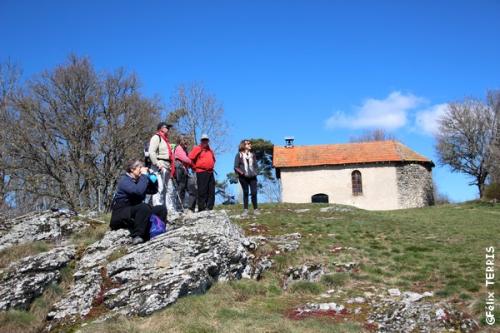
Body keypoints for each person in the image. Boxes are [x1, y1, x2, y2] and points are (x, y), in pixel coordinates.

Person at [110, 159, 167, 245]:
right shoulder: (124, 180)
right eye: (139, 167)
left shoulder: (139, 180)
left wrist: (152, 177)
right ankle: (137, 236)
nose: (142, 169)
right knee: (143, 207)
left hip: (135, 210)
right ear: (132, 169)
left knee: (161, 209)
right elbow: (138, 191)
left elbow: (153, 191)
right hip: (121, 213)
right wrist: (144, 176)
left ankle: (156, 231)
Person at [148, 122, 176, 207]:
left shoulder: (165, 140)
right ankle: (157, 208)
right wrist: (156, 163)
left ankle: (169, 209)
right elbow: (151, 152)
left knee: (169, 189)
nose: (168, 129)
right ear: (161, 128)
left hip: (167, 166)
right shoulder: (156, 137)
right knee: (159, 187)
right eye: (167, 127)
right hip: (159, 165)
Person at [188, 134, 216, 211]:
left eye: (206, 140)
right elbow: (190, 158)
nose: (205, 141)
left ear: (208, 141)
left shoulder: (210, 150)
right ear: (201, 141)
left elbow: (213, 159)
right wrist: (194, 167)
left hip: (210, 172)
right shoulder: (197, 148)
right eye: (203, 140)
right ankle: (201, 207)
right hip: (201, 171)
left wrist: (211, 165)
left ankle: (209, 207)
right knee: (202, 190)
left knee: (211, 190)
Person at [234, 139, 260, 216]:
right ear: (243, 146)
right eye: (248, 144)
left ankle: (255, 209)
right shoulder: (239, 155)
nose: (250, 145)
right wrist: (242, 173)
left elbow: (256, 165)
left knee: (254, 193)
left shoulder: (253, 155)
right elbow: (236, 167)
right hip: (243, 177)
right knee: (245, 192)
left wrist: (255, 172)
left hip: (252, 177)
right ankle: (245, 210)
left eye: (250, 143)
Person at [173, 135, 193, 209]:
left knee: (185, 187)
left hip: (184, 169)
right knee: (181, 187)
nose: (186, 143)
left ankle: (184, 205)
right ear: (181, 141)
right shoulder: (179, 148)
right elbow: (185, 159)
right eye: (185, 141)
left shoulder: (184, 150)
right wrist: (192, 162)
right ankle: (179, 206)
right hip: (179, 168)